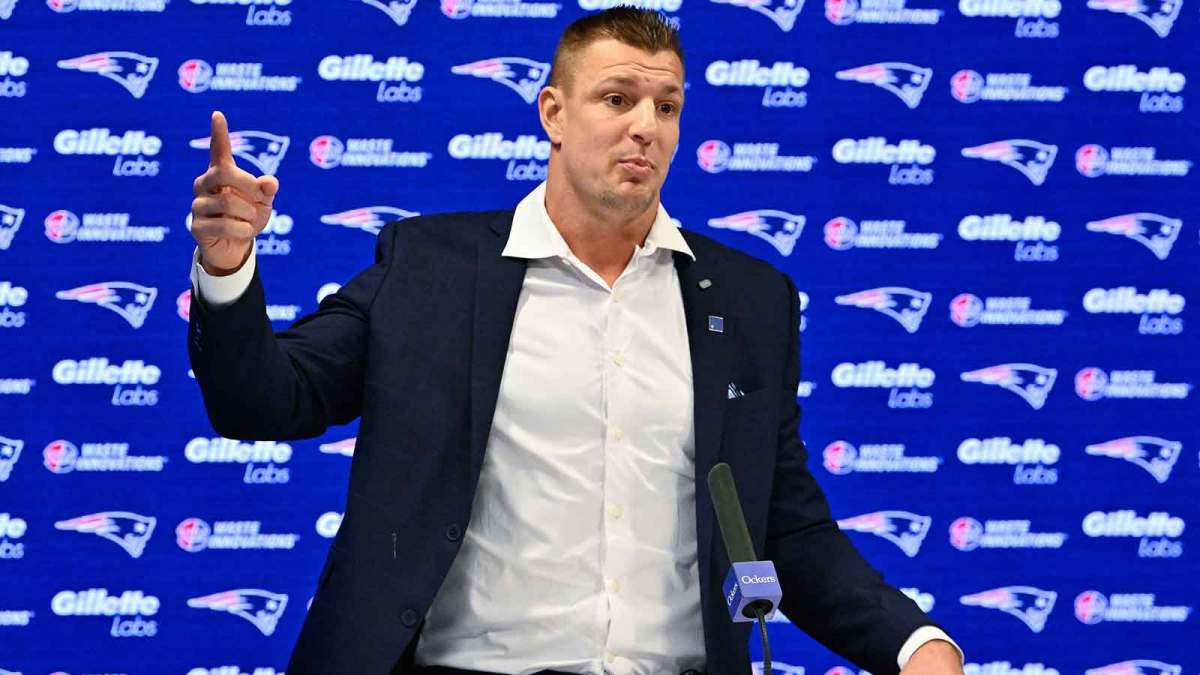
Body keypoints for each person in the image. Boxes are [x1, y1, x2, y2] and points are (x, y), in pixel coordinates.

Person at [187, 8, 964, 675]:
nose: (645, 127)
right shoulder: (428, 268)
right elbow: (265, 400)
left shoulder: (749, 297)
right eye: (618, 98)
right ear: (552, 113)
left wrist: (913, 642)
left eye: (667, 106)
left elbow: (783, 524)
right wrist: (228, 270)